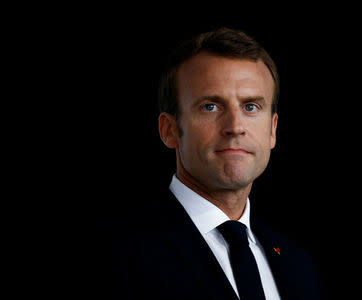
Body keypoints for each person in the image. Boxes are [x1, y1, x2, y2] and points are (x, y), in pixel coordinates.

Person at [107, 27, 323, 300]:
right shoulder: (119, 252)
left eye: (251, 107)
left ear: (273, 130)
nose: (235, 127)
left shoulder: (299, 266)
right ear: (169, 130)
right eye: (211, 106)